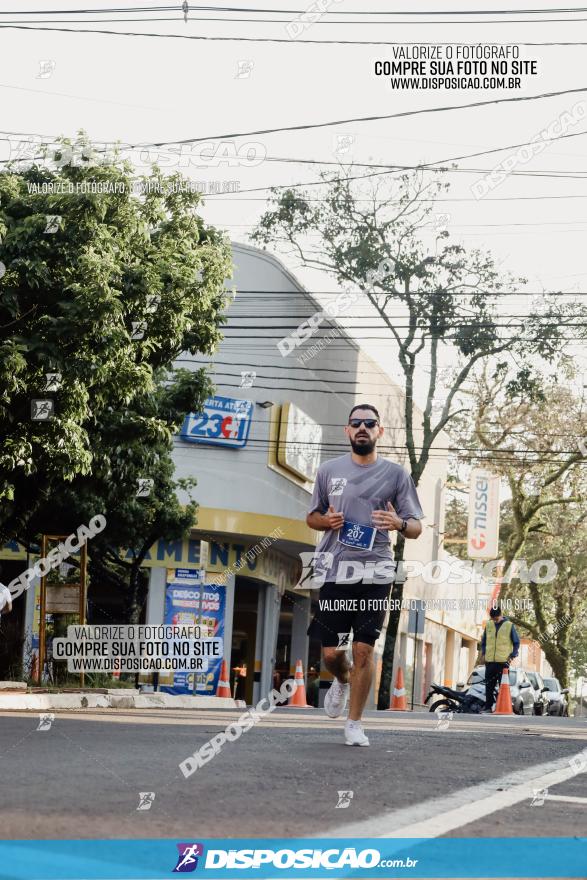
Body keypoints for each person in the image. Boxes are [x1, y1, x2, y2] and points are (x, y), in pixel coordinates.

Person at [305, 404, 424, 746]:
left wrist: (399, 523)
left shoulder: (397, 475)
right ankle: (342, 680)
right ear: (347, 431)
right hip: (334, 569)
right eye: (356, 423)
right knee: (331, 654)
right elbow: (311, 517)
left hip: (376, 569)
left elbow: (415, 526)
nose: (362, 428)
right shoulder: (329, 471)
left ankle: (354, 723)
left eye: (369, 423)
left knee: (363, 650)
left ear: (379, 431)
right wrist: (325, 522)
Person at [480, 605, 520, 712]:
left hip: (503, 663)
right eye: (493, 619)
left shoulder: (509, 625)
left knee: (503, 687)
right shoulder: (488, 625)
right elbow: (483, 642)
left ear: (500, 615)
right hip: (490, 662)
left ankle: (501, 707)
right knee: (489, 686)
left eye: (496, 619)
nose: (495, 621)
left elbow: (516, 642)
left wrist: (513, 655)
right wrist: (484, 653)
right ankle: (488, 707)